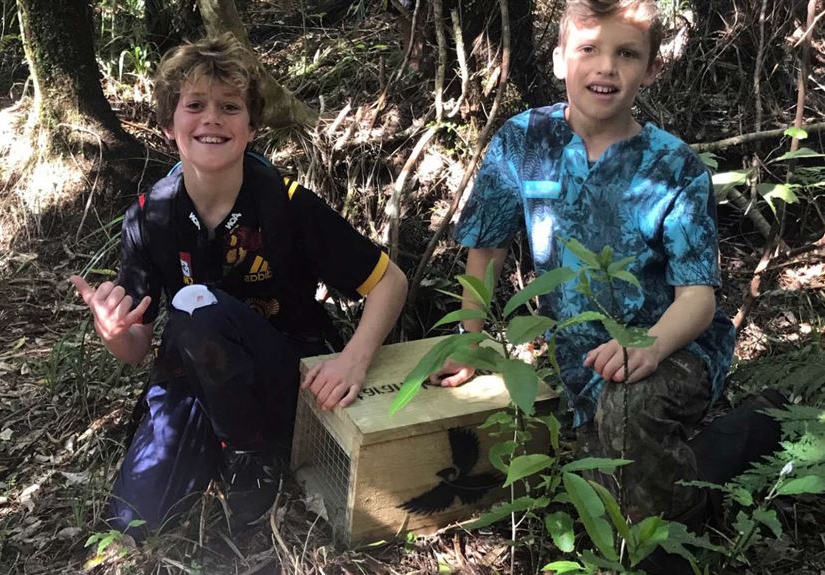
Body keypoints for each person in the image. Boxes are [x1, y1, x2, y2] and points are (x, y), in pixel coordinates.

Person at [70, 33, 407, 538]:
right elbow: (136, 349)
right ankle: (218, 448)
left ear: (251, 127)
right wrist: (114, 329)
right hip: (195, 381)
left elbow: (390, 282)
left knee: (194, 302)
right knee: (134, 523)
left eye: (230, 107)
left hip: (286, 379)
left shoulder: (286, 204)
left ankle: (254, 463)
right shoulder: (148, 217)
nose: (212, 119)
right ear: (168, 125)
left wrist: (353, 357)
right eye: (195, 106)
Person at [432, 0, 739, 530]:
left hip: (671, 348)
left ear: (652, 68)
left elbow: (698, 298)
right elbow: (486, 250)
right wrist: (471, 340)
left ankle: (689, 521)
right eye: (588, 49)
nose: (605, 68)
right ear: (558, 59)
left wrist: (648, 347)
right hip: (578, 353)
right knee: (593, 472)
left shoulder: (673, 166)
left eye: (626, 54)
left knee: (625, 432)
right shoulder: (524, 141)